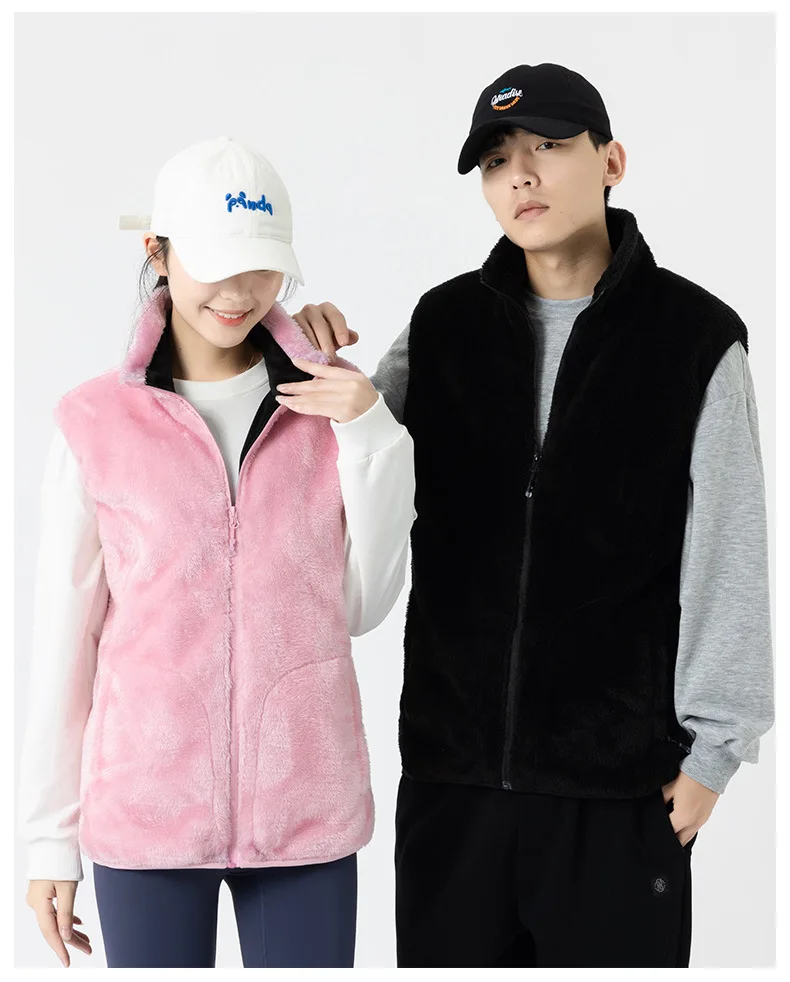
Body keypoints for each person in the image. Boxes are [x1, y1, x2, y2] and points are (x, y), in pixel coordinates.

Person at [289, 63, 775, 967]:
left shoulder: (695, 338)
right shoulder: (443, 326)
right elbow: (343, 470)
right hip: (452, 785)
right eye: (496, 160)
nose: (520, 174)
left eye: (548, 145)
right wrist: (287, 332)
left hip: (618, 794)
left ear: (611, 161)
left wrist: (715, 755)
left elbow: (728, 551)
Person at [18, 136, 416, 969]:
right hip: (145, 815)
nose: (238, 293)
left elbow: (361, 606)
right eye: (215, 264)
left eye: (262, 268)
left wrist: (371, 432)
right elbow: (65, 641)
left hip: (306, 812)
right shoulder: (94, 424)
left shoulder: (330, 407)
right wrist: (49, 841)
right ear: (158, 252)